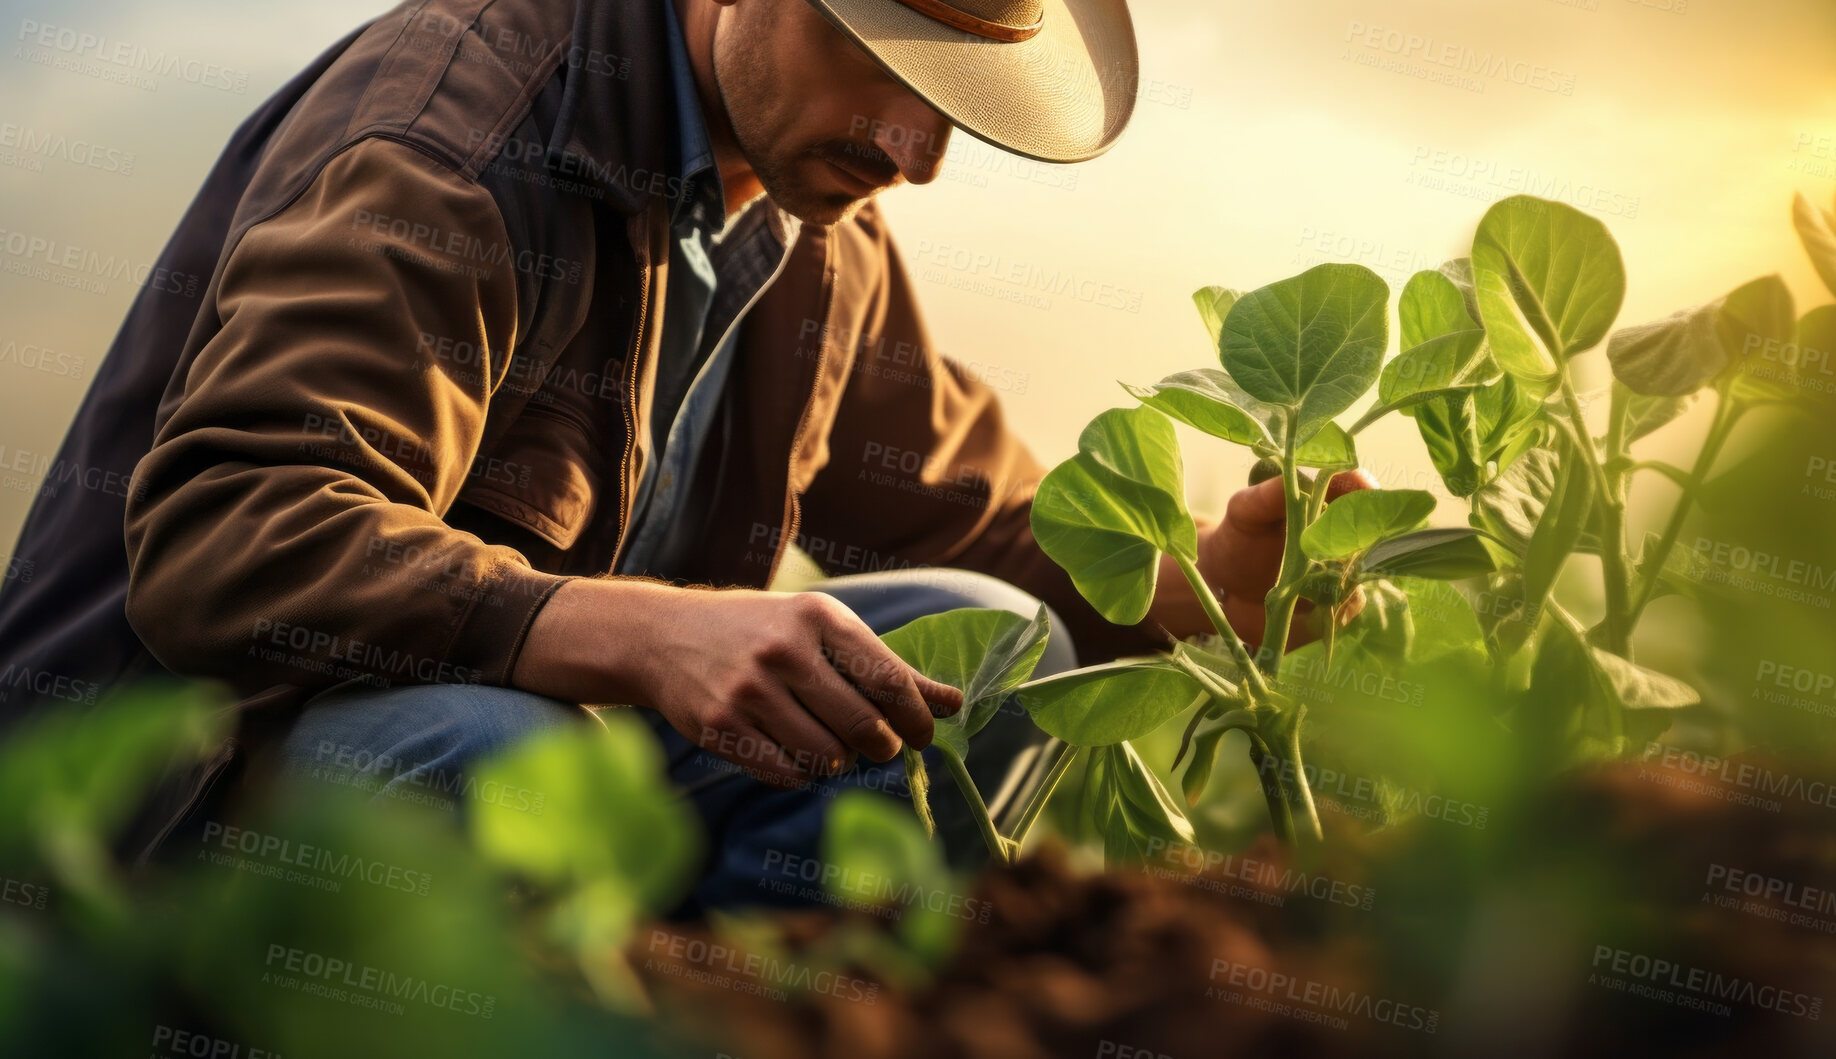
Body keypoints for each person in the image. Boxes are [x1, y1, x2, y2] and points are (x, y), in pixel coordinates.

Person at [0, 0, 1362, 907]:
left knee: (984, 637)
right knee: (508, 746)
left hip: (548, 761)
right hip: (176, 801)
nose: (920, 152)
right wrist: (633, 633)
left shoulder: (814, 224)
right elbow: (226, 535)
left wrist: (1202, 596)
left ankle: (727, 997)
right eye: (887, 67)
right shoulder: (460, 135)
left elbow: (972, 522)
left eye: (959, 96)